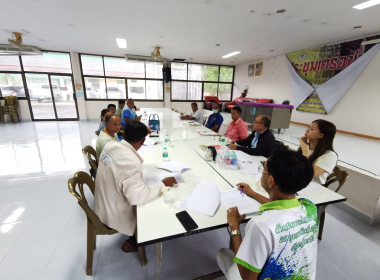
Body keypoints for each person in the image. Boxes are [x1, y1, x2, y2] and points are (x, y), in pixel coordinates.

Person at [217, 149, 316, 280]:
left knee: (222, 254)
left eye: (262, 171)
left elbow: (247, 278)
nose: (261, 174)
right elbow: (281, 204)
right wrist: (252, 193)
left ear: (271, 181)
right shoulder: (309, 207)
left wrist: (235, 228)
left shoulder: (261, 225)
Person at [94, 121, 177, 252]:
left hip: (102, 203)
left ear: (123, 134)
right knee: (157, 206)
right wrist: (163, 184)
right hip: (113, 212)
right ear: (143, 140)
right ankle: (132, 242)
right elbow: (137, 197)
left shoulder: (111, 145)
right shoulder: (131, 162)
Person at [299, 119, 338, 185]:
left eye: (311, 129)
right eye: (309, 127)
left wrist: (305, 152)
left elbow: (307, 175)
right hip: (297, 183)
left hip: (311, 187)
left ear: (321, 135)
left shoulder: (330, 156)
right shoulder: (307, 147)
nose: (307, 130)